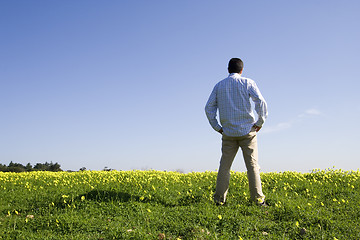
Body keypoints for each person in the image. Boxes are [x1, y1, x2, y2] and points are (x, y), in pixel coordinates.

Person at [205, 58, 268, 206]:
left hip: (228, 133)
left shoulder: (219, 86)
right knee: (252, 166)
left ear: (228, 69)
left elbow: (208, 108)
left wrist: (217, 127)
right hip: (248, 131)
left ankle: (219, 200)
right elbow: (260, 102)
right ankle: (258, 200)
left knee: (224, 167)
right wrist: (260, 122)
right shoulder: (248, 82)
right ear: (241, 70)